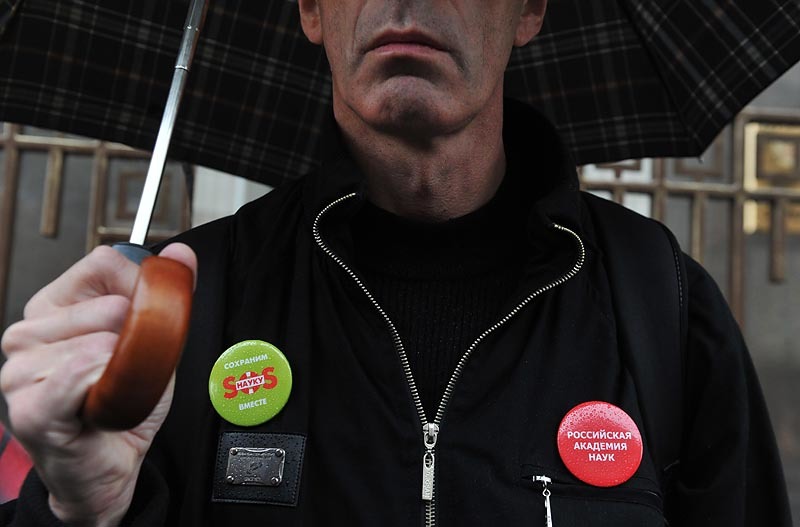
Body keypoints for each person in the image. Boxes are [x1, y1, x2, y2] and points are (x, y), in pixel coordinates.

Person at [0, 0, 792, 525]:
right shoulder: (187, 306)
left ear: (529, 10)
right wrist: (82, 506)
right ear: (312, 9)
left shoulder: (662, 306)